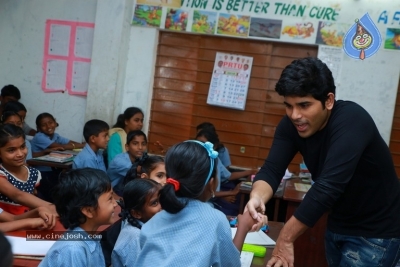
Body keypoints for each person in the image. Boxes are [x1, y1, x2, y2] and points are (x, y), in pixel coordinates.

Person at [246, 57, 400, 267]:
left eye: (304, 105)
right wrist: (257, 198)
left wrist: (286, 236)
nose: (295, 115)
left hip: (377, 232)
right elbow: (272, 170)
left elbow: (329, 186)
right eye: (288, 106)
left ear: (328, 100)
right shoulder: (290, 125)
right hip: (338, 225)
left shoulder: (352, 120)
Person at [135, 140, 266, 266]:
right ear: (211, 184)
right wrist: (243, 227)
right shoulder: (215, 219)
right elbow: (230, 264)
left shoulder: (150, 224)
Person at [39, 168, 117, 267]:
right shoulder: (73, 249)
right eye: (110, 199)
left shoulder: (91, 237)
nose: (115, 204)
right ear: (88, 211)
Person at [0, 124, 56, 215]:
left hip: (28, 220)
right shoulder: (1, 174)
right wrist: (53, 208)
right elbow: (18, 195)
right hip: (8, 225)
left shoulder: (33, 173)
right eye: (11, 150)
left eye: (22, 147)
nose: (20, 154)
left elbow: (32, 199)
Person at [31, 113, 84, 201]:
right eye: (44, 125)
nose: (48, 126)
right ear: (39, 128)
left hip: (52, 168)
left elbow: (70, 142)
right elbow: (60, 147)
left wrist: (80, 145)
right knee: (53, 192)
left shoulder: (56, 135)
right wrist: (81, 145)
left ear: (55, 122)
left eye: (50, 122)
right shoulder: (39, 137)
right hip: (41, 171)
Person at [111, 179, 161, 267]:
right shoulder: (135, 238)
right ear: (137, 213)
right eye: (155, 203)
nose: (163, 205)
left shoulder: (147, 224)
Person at [107, 130, 147, 195]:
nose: (140, 147)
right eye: (135, 143)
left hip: (126, 189)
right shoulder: (119, 161)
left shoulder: (140, 158)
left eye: (143, 144)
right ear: (127, 147)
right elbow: (140, 170)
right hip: (113, 192)